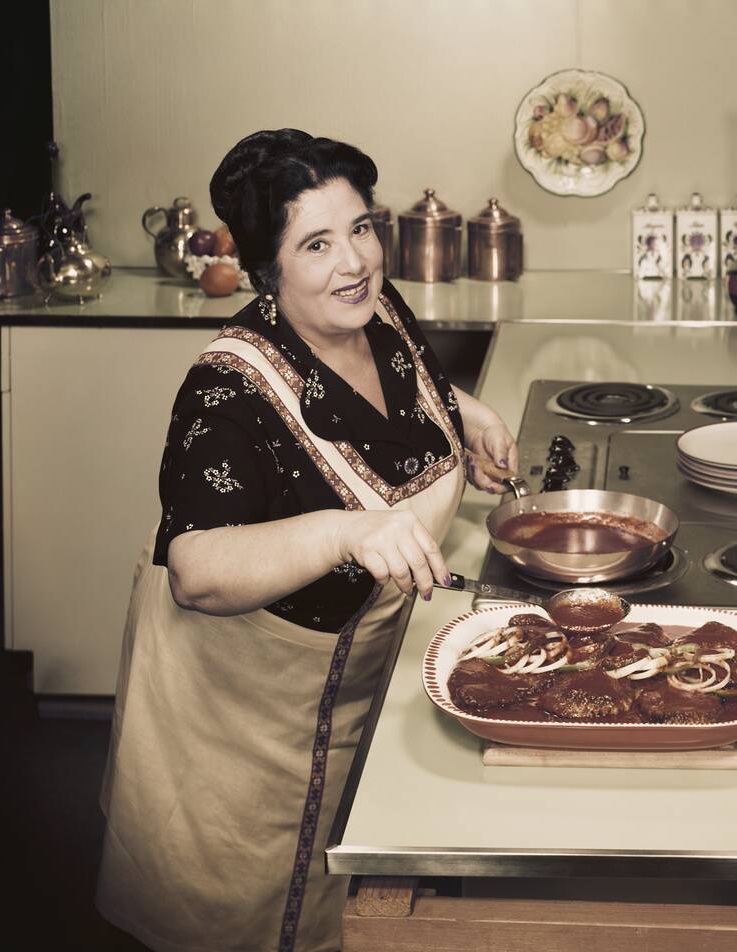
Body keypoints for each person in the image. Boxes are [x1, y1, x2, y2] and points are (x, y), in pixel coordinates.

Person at [96, 129, 517, 952]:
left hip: (357, 685)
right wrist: (344, 530)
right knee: (236, 911)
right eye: (316, 244)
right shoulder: (228, 392)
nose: (354, 261)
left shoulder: (377, 313)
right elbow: (196, 567)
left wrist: (468, 414)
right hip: (238, 729)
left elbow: (408, 389)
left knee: (345, 909)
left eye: (361, 228)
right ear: (268, 271)